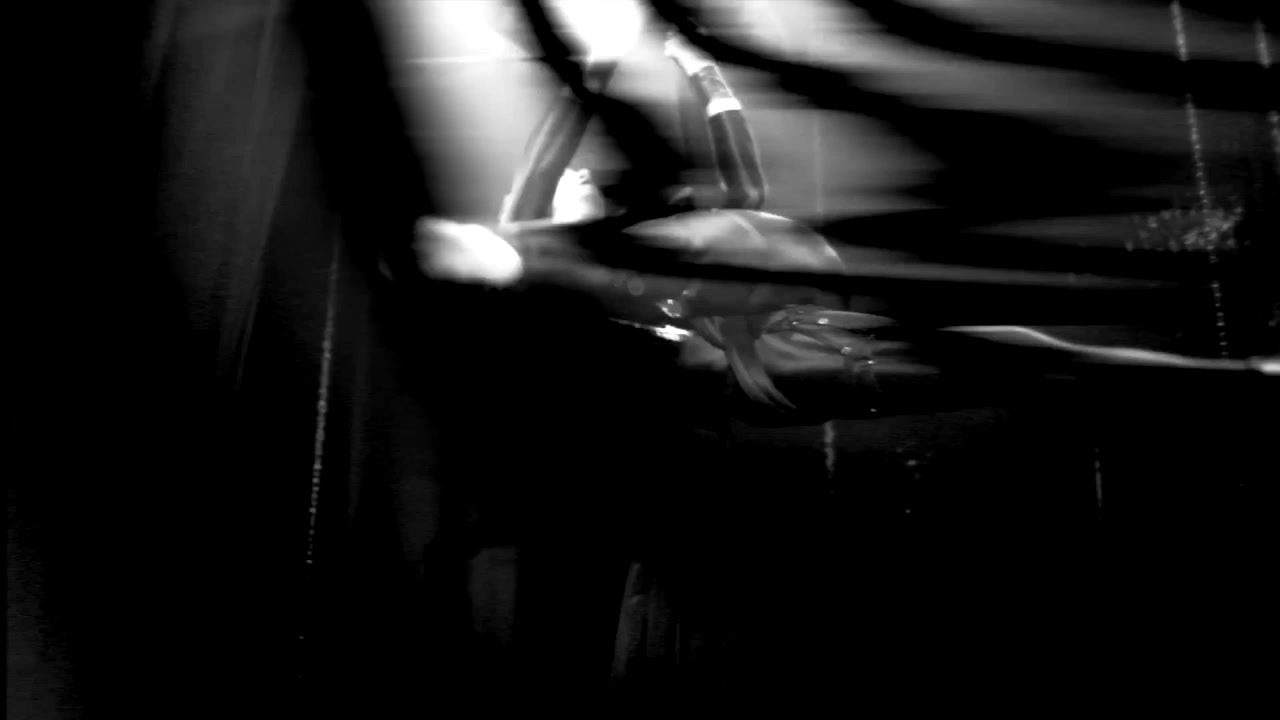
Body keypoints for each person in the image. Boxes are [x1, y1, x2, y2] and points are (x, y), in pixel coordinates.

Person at [389, 31, 1277, 427]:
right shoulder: (561, 266)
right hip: (755, 366)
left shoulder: (674, 233)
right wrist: (592, 67)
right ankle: (1237, 380)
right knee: (1006, 359)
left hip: (791, 323)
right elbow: (544, 175)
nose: (585, 181)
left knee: (1017, 349)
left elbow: (741, 182)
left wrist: (698, 74)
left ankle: (1235, 378)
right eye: (572, 187)